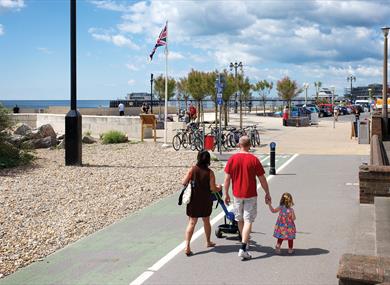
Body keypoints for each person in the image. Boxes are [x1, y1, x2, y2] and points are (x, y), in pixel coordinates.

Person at [224, 136, 271, 260]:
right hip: (250, 194)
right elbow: (262, 178)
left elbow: (227, 179)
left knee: (240, 220)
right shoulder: (254, 160)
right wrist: (267, 193)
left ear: (239, 145)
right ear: (250, 145)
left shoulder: (232, 159)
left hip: (236, 194)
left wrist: (226, 193)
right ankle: (243, 247)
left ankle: (245, 242)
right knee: (248, 220)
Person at [182, 150, 222, 256]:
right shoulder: (210, 173)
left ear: (198, 158)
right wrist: (219, 188)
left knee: (192, 222)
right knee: (206, 220)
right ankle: (208, 241)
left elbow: (184, 182)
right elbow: (212, 188)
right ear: (208, 160)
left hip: (194, 200)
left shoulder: (193, 169)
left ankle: (187, 246)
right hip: (205, 200)